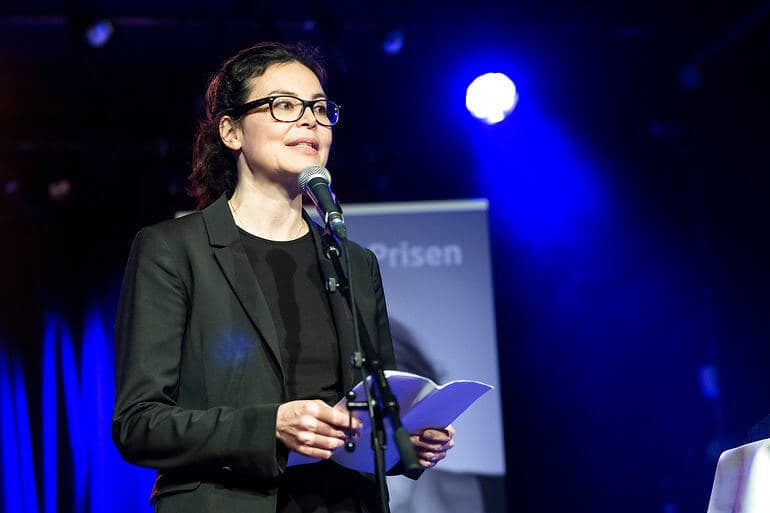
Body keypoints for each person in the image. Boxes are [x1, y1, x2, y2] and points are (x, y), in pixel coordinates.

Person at [111, 42, 454, 513]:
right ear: (231, 131)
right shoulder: (173, 250)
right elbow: (138, 424)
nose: (310, 120)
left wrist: (405, 440)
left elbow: (372, 415)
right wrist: (270, 427)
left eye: (320, 108)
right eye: (285, 105)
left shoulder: (354, 261)